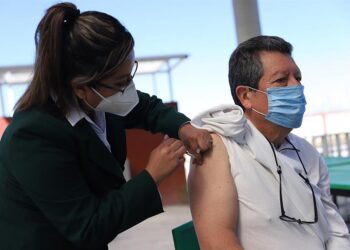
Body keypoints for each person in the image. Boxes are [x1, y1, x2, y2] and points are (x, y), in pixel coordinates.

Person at [0, 3, 212, 250]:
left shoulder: (102, 100)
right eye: (121, 82)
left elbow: (146, 108)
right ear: (80, 87)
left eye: (130, 75)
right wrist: (152, 175)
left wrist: (184, 127)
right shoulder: (34, 136)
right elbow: (88, 227)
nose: (129, 89)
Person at [188, 35, 350, 250]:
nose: (297, 87)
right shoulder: (219, 151)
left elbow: (335, 229)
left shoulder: (307, 152)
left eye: (298, 78)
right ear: (246, 95)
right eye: (282, 80)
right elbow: (217, 243)